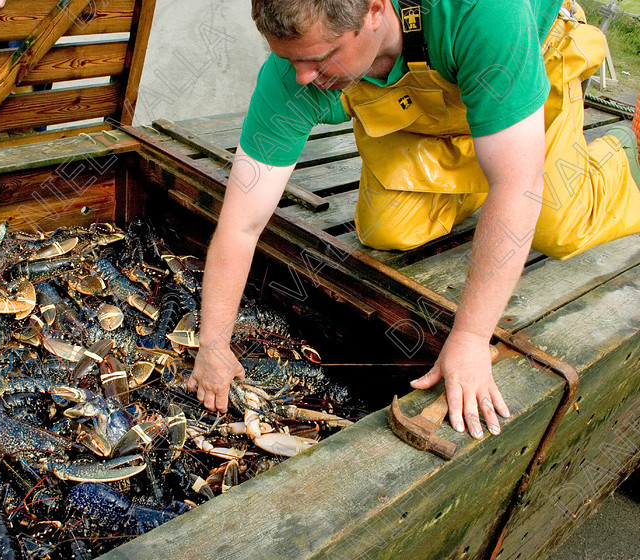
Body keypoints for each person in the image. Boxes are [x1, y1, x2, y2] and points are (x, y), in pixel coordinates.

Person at [186, 0, 640, 440]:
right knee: (390, 229)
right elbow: (241, 221)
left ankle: (622, 152)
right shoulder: (294, 72)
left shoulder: (483, 12)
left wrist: (469, 337)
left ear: (376, 10)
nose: (303, 76)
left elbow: (518, 187)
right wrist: (213, 344)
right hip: (426, 104)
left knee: (555, 226)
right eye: (288, 59)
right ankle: (491, 149)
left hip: (524, 60)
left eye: (320, 58)